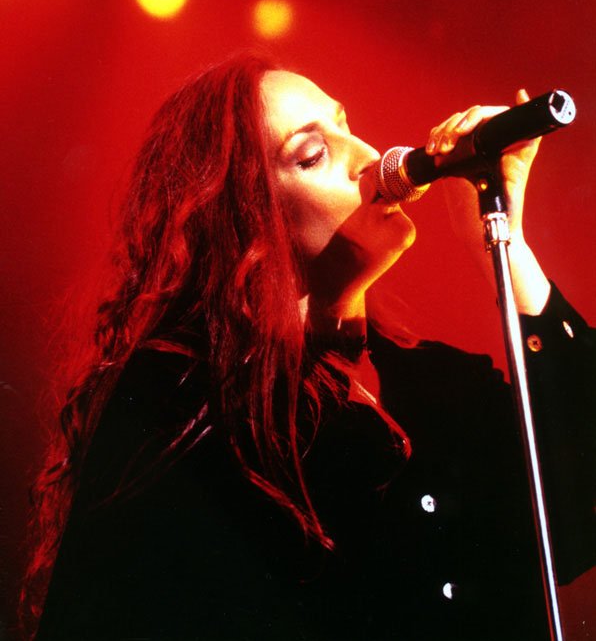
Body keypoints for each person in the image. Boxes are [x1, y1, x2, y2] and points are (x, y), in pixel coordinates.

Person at [23, 53, 594, 641]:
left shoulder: (444, 385)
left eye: (347, 126)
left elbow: (581, 513)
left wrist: (506, 247)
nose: (368, 157)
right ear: (244, 219)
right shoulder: (184, 402)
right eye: (313, 154)